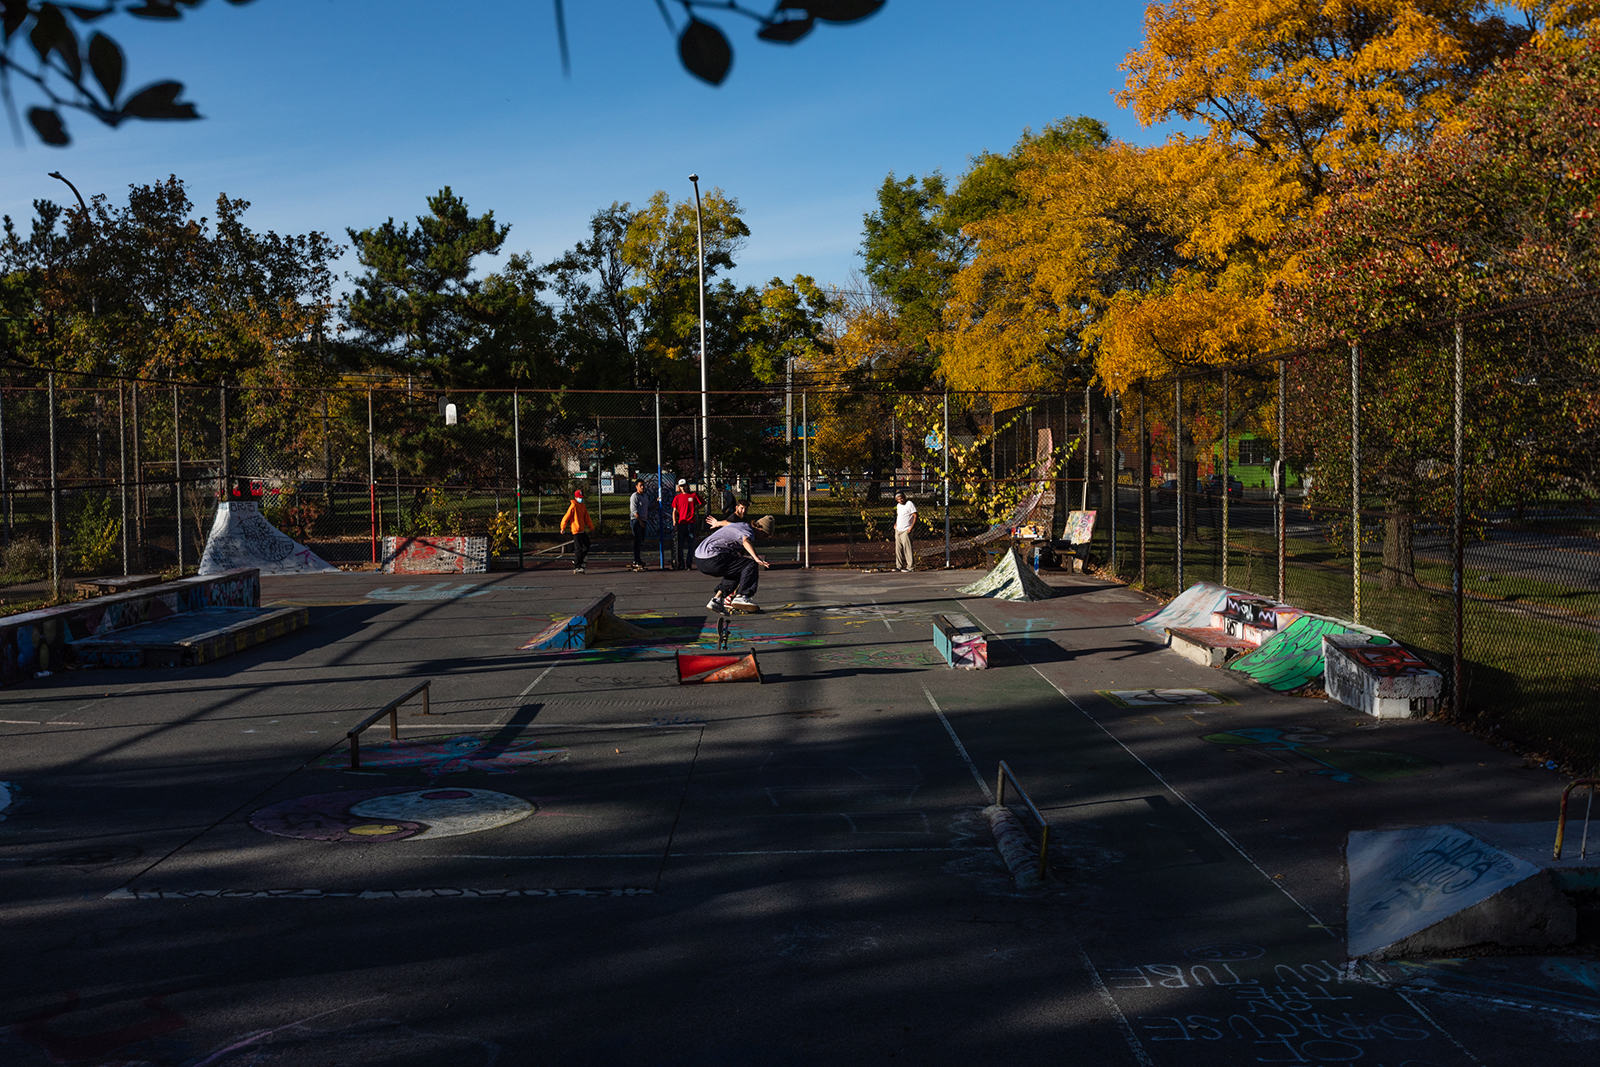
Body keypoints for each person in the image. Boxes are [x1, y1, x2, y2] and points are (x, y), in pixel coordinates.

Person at [695, 514, 775, 611]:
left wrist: (717, 523)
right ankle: (742, 596)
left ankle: (716, 600)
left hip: (700, 560)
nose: (764, 538)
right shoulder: (748, 531)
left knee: (737, 569)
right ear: (760, 529)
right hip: (713, 557)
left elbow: (726, 523)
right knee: (750, 564)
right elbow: (746, 541)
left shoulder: (741, 525)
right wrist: (756, 558)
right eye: (765, 535)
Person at [671, 479, 703, 569]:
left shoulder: (693, 495)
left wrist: (696, 509)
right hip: (681, 523)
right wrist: (674, 523)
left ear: (687, 486)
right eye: (681, 486)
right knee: (680, 544)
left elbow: (703, 503)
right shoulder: (677, 498)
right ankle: (681, 563)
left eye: (684, 486)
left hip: (691, 522)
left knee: (691, 544)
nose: (683, 488)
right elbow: (674, 511)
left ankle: (689, 563)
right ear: (679, 487)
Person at [561, 488, 593, 573]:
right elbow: (566, 517)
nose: (581, 499)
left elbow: (587, 518)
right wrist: (563, 527)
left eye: (582, 497)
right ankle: (577, 566)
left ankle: (580, 559)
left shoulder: (583, 506)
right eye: (580, 497)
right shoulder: (573, 506)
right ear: (576, 498)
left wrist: (591, 527)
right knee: (578, 548)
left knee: (587, 545)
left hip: (582, 530)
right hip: (576, 530)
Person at [628, 479, 652, 569]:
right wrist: (640, 521)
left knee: (641, 540)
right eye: (640, 485)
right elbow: (634, 511)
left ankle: (638, 559)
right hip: (636, 520)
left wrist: (657, 502)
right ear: (636, 486)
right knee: (638, 540)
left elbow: (648, 508)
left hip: (643, 520)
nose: (642, 487)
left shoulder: (645, 496)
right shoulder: (635, 496)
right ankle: (636, 560)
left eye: (643, 485)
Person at [893, 490, 918, 572]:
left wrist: (911, 527)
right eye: (899, 499)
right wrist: (896, 524)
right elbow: (900, 515)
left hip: (906, 530)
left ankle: (910, 566)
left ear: (904, 497)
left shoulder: (909, 504)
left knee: (907, 548)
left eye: (902, 498)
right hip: (898, 529)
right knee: (898, 548)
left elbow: (915, 515)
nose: (901, 500)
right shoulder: (898, 506)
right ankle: (899, 566)